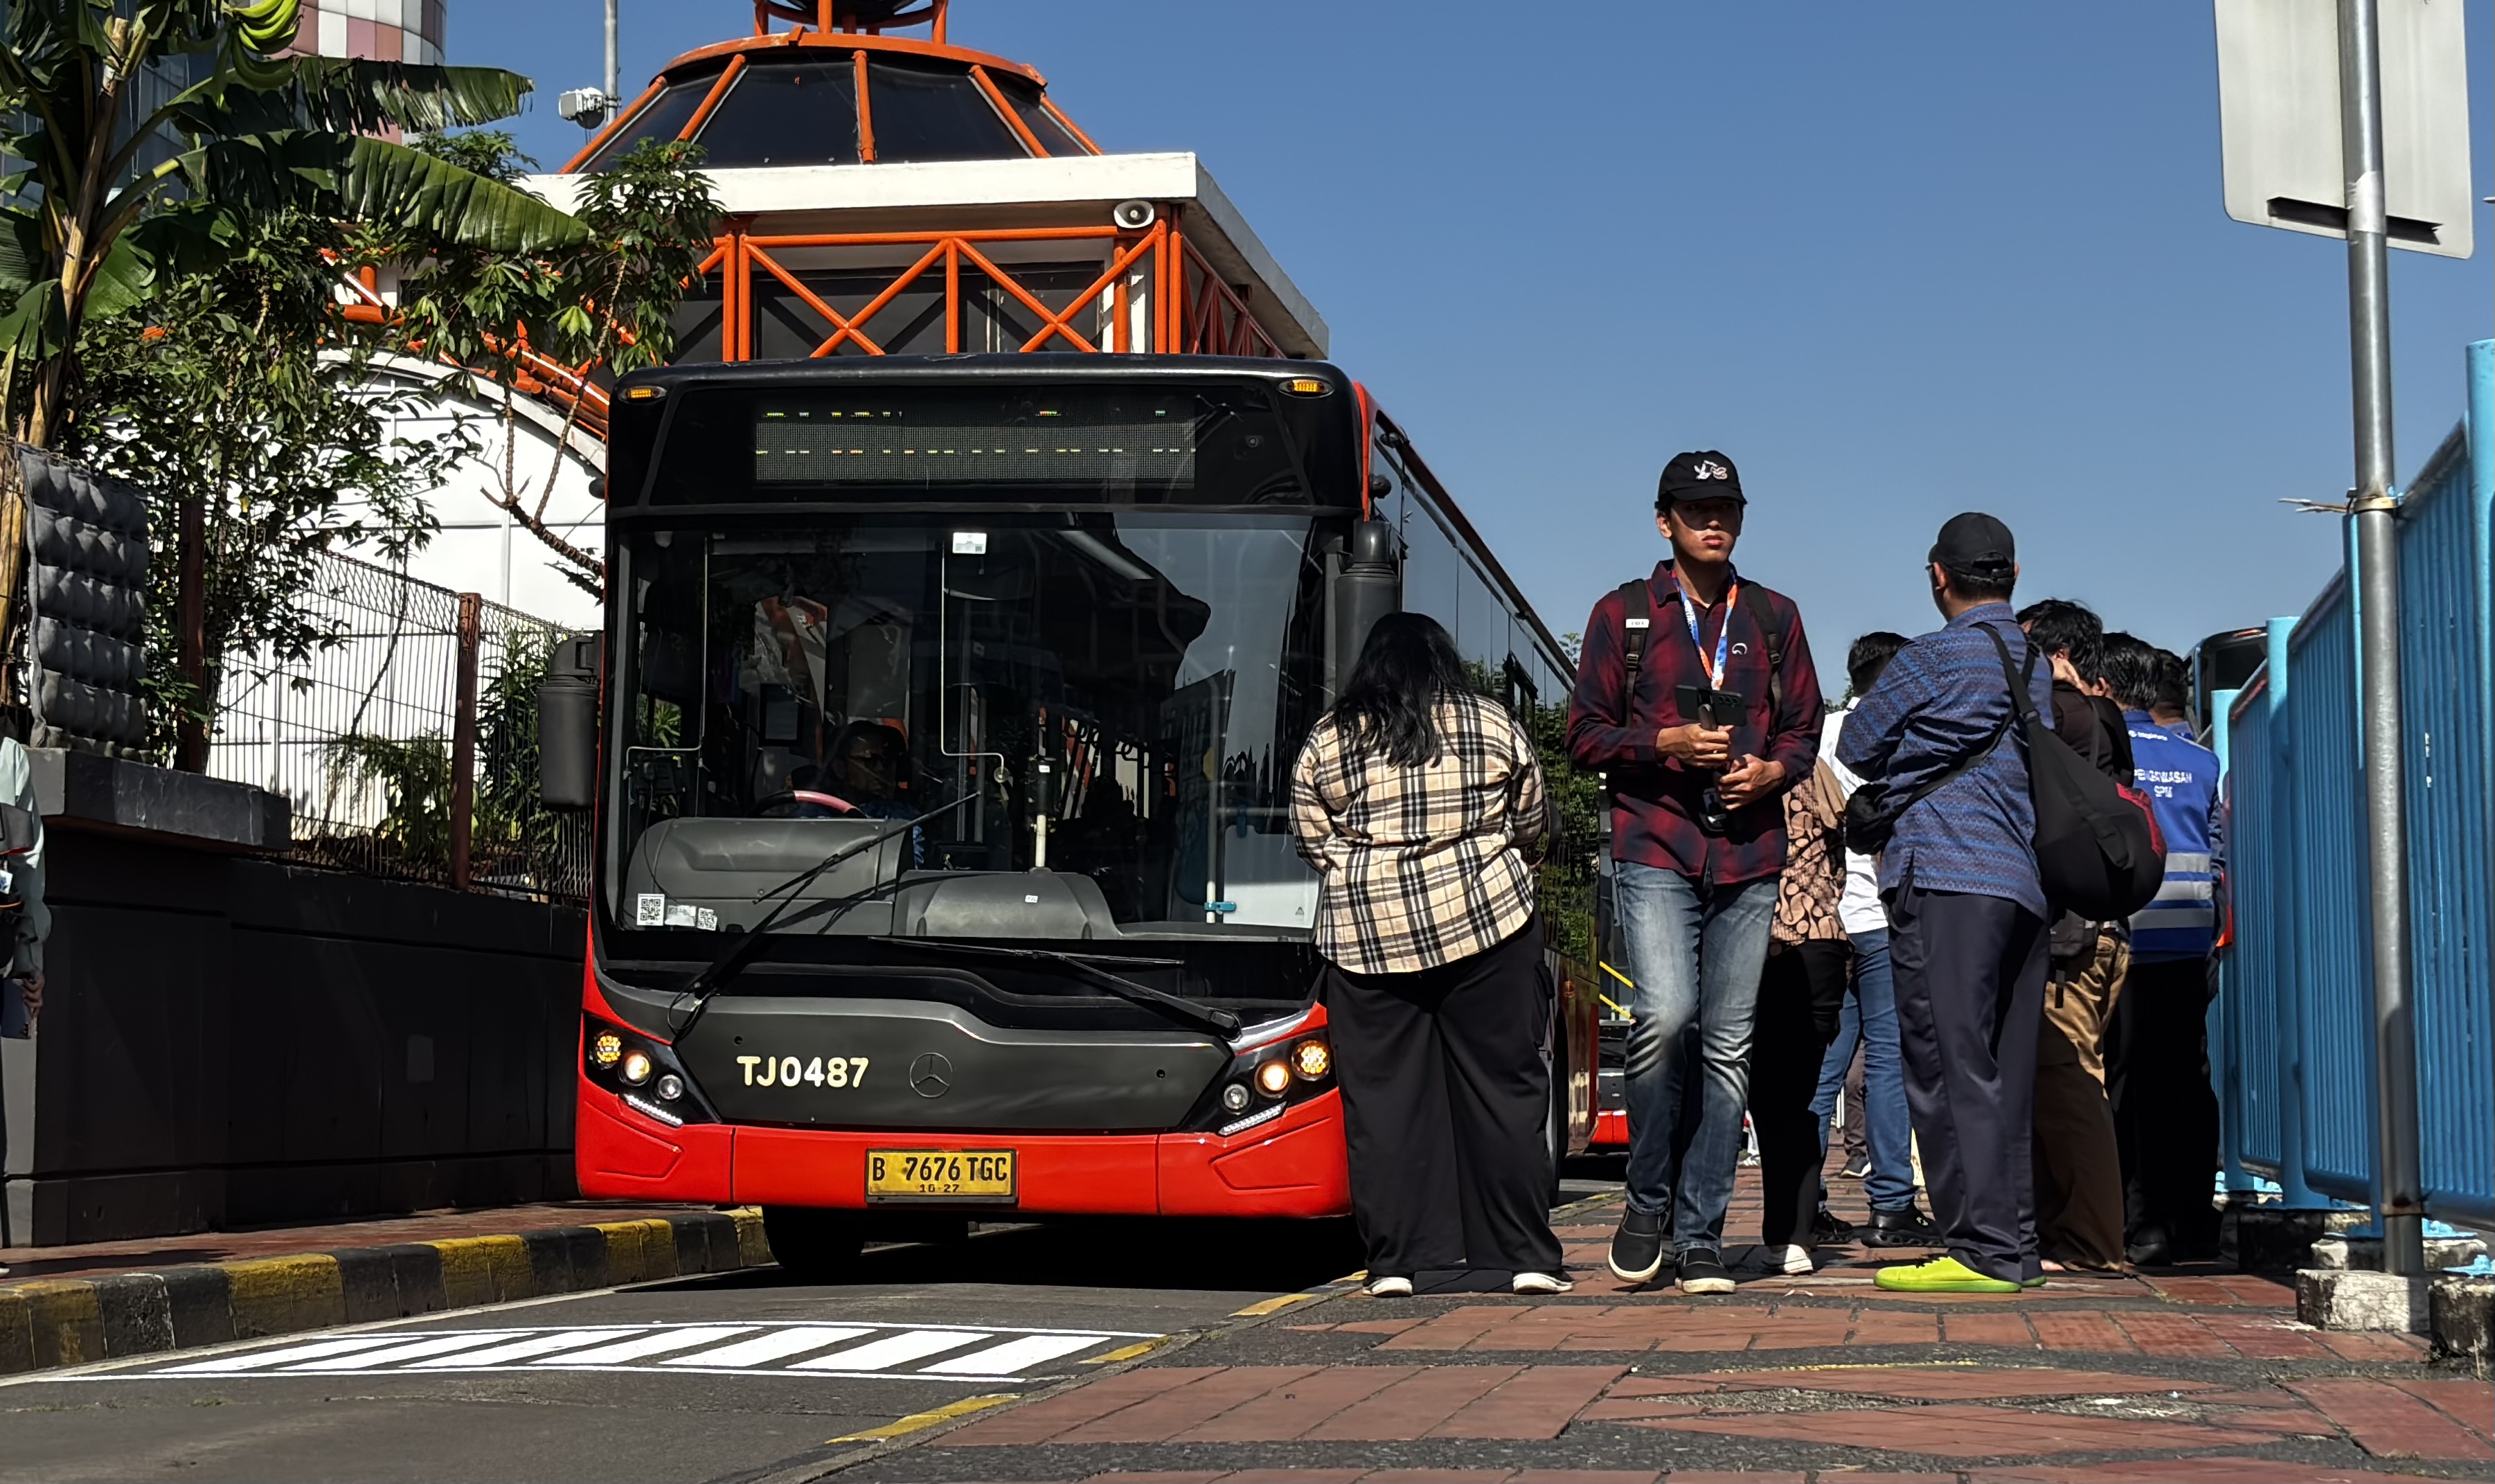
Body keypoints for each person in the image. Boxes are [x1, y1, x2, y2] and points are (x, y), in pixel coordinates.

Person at [1567, 450, 1823, 1294]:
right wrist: (1663, 744)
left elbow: (1803, 730)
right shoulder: (1625, 615)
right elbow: (1583, 737)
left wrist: (1774, 772)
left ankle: (1701, 1227)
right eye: (1695, 508)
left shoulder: (1776, 618)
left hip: (1750, 853)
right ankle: (1647, 1200)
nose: (1714, 520)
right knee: (1665, 1017)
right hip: (1655, 841)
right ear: (1663, 519)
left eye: (1727, 509)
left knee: (1728, 1045)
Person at [1289, 612, 1568, 1297]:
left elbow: (1310, 834)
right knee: (1505, 1091)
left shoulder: (1330, 738)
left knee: (1385, 1103)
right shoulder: (1491, 721)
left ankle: (1399, 1264)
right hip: (1489, 927)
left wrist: (1367, 872)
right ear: (1446, 660)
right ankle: (1523, 1256)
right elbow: (1533, 816)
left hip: (1368, 939)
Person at [1838, 512, 2053, 1294]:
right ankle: (2016, 1242)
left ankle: (1979, 1251)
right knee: (2005, 1072)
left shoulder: (1929, 658)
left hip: (1946, 875)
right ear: (2014, 575)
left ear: (1939, 574)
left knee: (1946, 1066)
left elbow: (1858, 744)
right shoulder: (2032, 661)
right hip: (2022, 881)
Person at [2014, 598, 2133, 1274]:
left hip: (2074, 935)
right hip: (2091, 929)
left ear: (2056, 657)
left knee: (2068, 1082)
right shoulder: (2103, 719)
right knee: (2057, 1084)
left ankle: (2089, 1240)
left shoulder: (2070, 713)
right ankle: (2070, 1232)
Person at [1812, 632, 1940, 1248]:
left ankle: (1801, 1203)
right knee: (1888, 1059)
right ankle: (1890, 1203)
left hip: (1823, 920)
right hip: (1885, 918)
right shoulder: (1905, 734)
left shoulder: (1818, 735)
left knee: (1823, 1064)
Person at [2100, 634, 2224, 1264]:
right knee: (2183, 1078)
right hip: (2187, 940)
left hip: (2127, 937)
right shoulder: (2200, 760)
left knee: (2123, 1081)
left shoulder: (2100, 754)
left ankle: (2137, 1216)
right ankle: (2192, 1214)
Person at [1744, 744, 1848, 1274]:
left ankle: (1783, 1231)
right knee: (1798, 1095)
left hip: (1769, 940)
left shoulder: (1746, 775)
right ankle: (1795, 1234)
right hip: (1826, 940)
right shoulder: (1819, 774)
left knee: (1768, 1096)